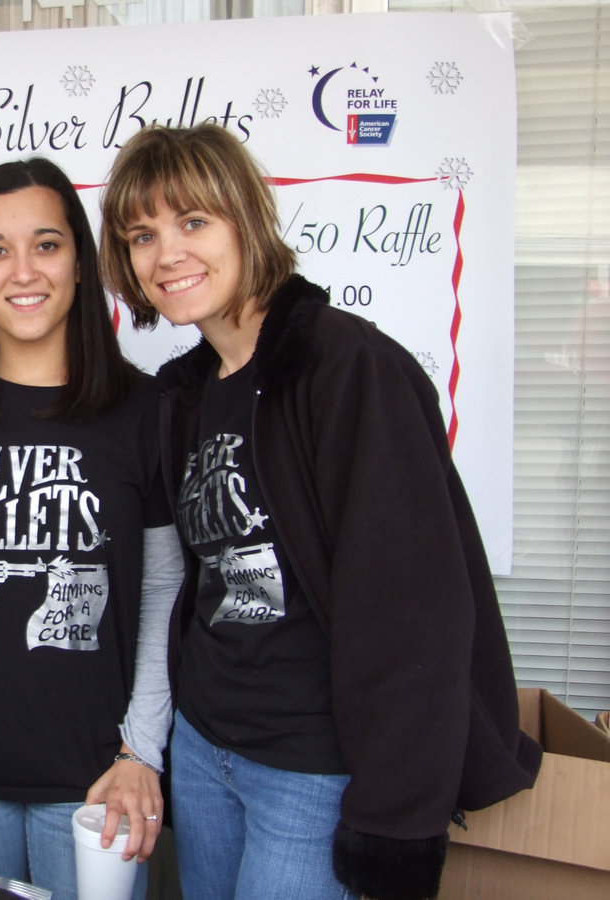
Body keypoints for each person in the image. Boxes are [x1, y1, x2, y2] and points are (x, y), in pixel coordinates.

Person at [96, 122, 543, 900]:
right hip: (205, 749)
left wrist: (396, 818)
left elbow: (418, 611)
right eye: (142, 235)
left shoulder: (349, 368)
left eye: (193, 221)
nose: (167, 254)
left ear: (246, 220)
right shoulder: (184, 396)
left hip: (313, 771)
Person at [0, 158, 183, 900]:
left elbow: (163, 592)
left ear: (80, 262)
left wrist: (140, 751)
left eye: (47, 245)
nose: (24, 271)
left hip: (99, 778)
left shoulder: (146, 412)